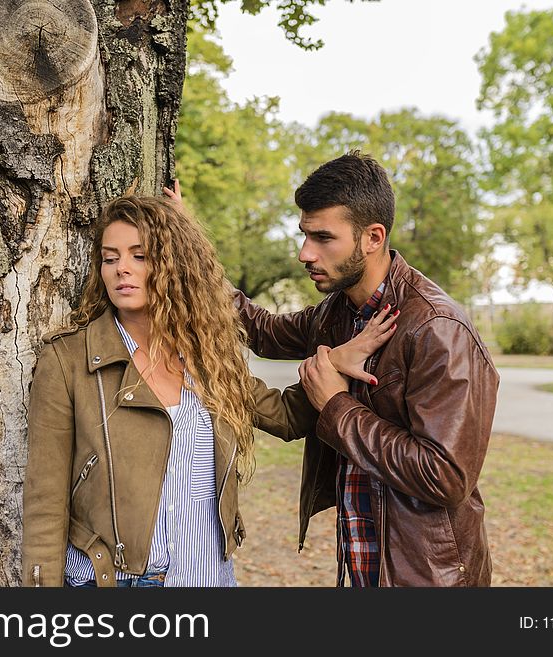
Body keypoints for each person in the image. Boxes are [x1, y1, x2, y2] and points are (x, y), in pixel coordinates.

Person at [21, 195, 394, 587]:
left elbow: (287, 416)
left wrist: (333, 363)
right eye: (110, 258)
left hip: (208, 578)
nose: (121, 270)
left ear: (173, 266)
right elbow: (46, 500)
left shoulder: (207, 358)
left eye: (140, 256)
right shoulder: (68, 359)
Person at [228, 152, 500, 587]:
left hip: (428, 578)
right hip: (361, 566)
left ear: (373, 237)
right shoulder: (337, 314)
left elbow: (446, 476)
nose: (305, 253)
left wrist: (335, 405)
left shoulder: (437, 327)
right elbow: (260, 330)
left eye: (322, 238)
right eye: (304, 235)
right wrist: (191, 250)